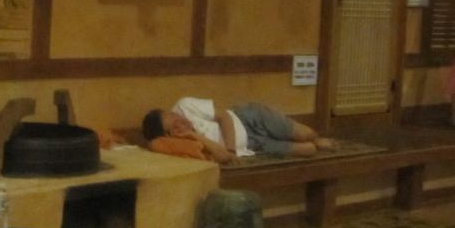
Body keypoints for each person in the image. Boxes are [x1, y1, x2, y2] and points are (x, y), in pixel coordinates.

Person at [141, 97, 337, 163]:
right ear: (169, 136)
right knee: (308, 150)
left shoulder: (185, 105)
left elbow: (224, 117)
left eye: (175, 116)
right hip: (253, 145)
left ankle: (316, 138)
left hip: (247, 118)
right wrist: (193, 134)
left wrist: (231, 149)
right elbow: (222, 157)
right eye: (174, 126)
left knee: (307, 135)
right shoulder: (184, 144)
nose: (181, 122)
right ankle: (313, 144)